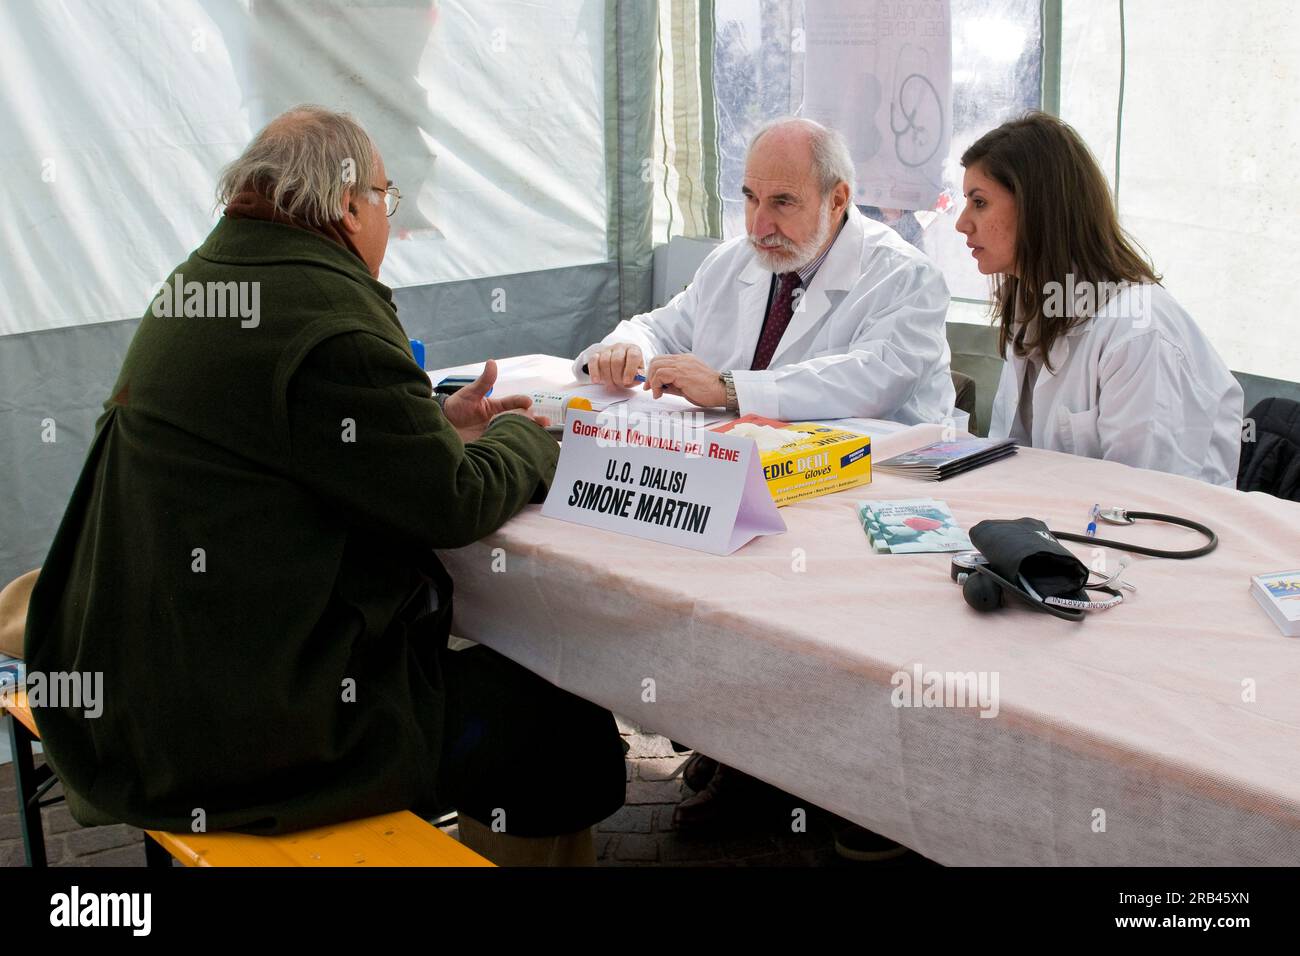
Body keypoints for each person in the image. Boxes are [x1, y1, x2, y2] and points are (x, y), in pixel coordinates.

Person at [22, 106, 625, 865]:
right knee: (553, 719)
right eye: (386, 197)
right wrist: (525, 439)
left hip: (135, 681)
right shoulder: (329, 316)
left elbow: (302, 443)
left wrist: (433, 426)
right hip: (224, 726)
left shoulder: (213, 275)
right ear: (346, 204)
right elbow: (454, 504)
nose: (389, 219)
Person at [575, 117, 955, 425]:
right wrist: (625, 351)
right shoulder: (733, 261)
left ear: (836, 199)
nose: (758, 227)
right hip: (744, 463)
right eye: (751, 198)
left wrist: (727, 389)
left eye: (782, 203)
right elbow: (660, 329)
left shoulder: (906, 277)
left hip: (881, 475)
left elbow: (873, 380)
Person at [956, 112, 1243, 486]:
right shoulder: (1033, 307)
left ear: (1039, 207)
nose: (962, 223)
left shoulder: (1139, 331)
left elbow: (1142, 500)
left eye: (979, 202)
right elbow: (1011, 457)